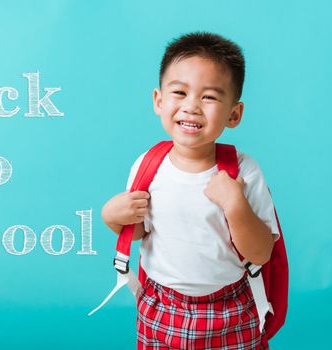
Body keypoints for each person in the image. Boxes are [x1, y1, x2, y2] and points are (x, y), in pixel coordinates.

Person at [101, 32, 280, 349]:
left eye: (209, 97)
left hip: (231, 306)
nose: (192, 106)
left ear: (234, 114)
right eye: (180, 92)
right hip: (161, 305)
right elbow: (141, 229)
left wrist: (235, 204)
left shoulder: (243, 172)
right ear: (159, 100)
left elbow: (261, 253)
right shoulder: (148, 165)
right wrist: (112, 217)